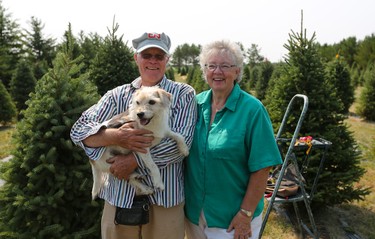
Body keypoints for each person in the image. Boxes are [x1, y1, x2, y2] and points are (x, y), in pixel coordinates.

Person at [70, 32, 197, 239]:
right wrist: (115, 136)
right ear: (136, 58)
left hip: (166, 199)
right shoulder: (117, 95)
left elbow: (181, 144)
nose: (153, 61)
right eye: (147, 55)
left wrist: (132, 160)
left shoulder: (182, 94)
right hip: (120, 197)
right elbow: (79, 130)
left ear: (167, 60)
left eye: (159, 56)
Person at [184, 40, 282, 239]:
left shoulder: (253, 110)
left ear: (237, 71)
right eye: (211, 66)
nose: (217, 71)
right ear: (205, 71)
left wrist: (245, 214)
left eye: (225, 66)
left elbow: (262, 168)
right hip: (194, 215)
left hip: (231, 220)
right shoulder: (194, 104)